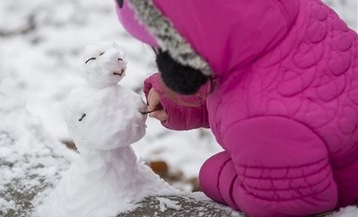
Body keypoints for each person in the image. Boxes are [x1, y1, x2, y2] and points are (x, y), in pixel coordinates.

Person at [114, 0, 358, 216]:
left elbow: (289, 203)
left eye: (162, 47)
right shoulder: (295, 11)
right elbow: (289, 94)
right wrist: (177, 98)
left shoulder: (258, 123)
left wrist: (216, 174)